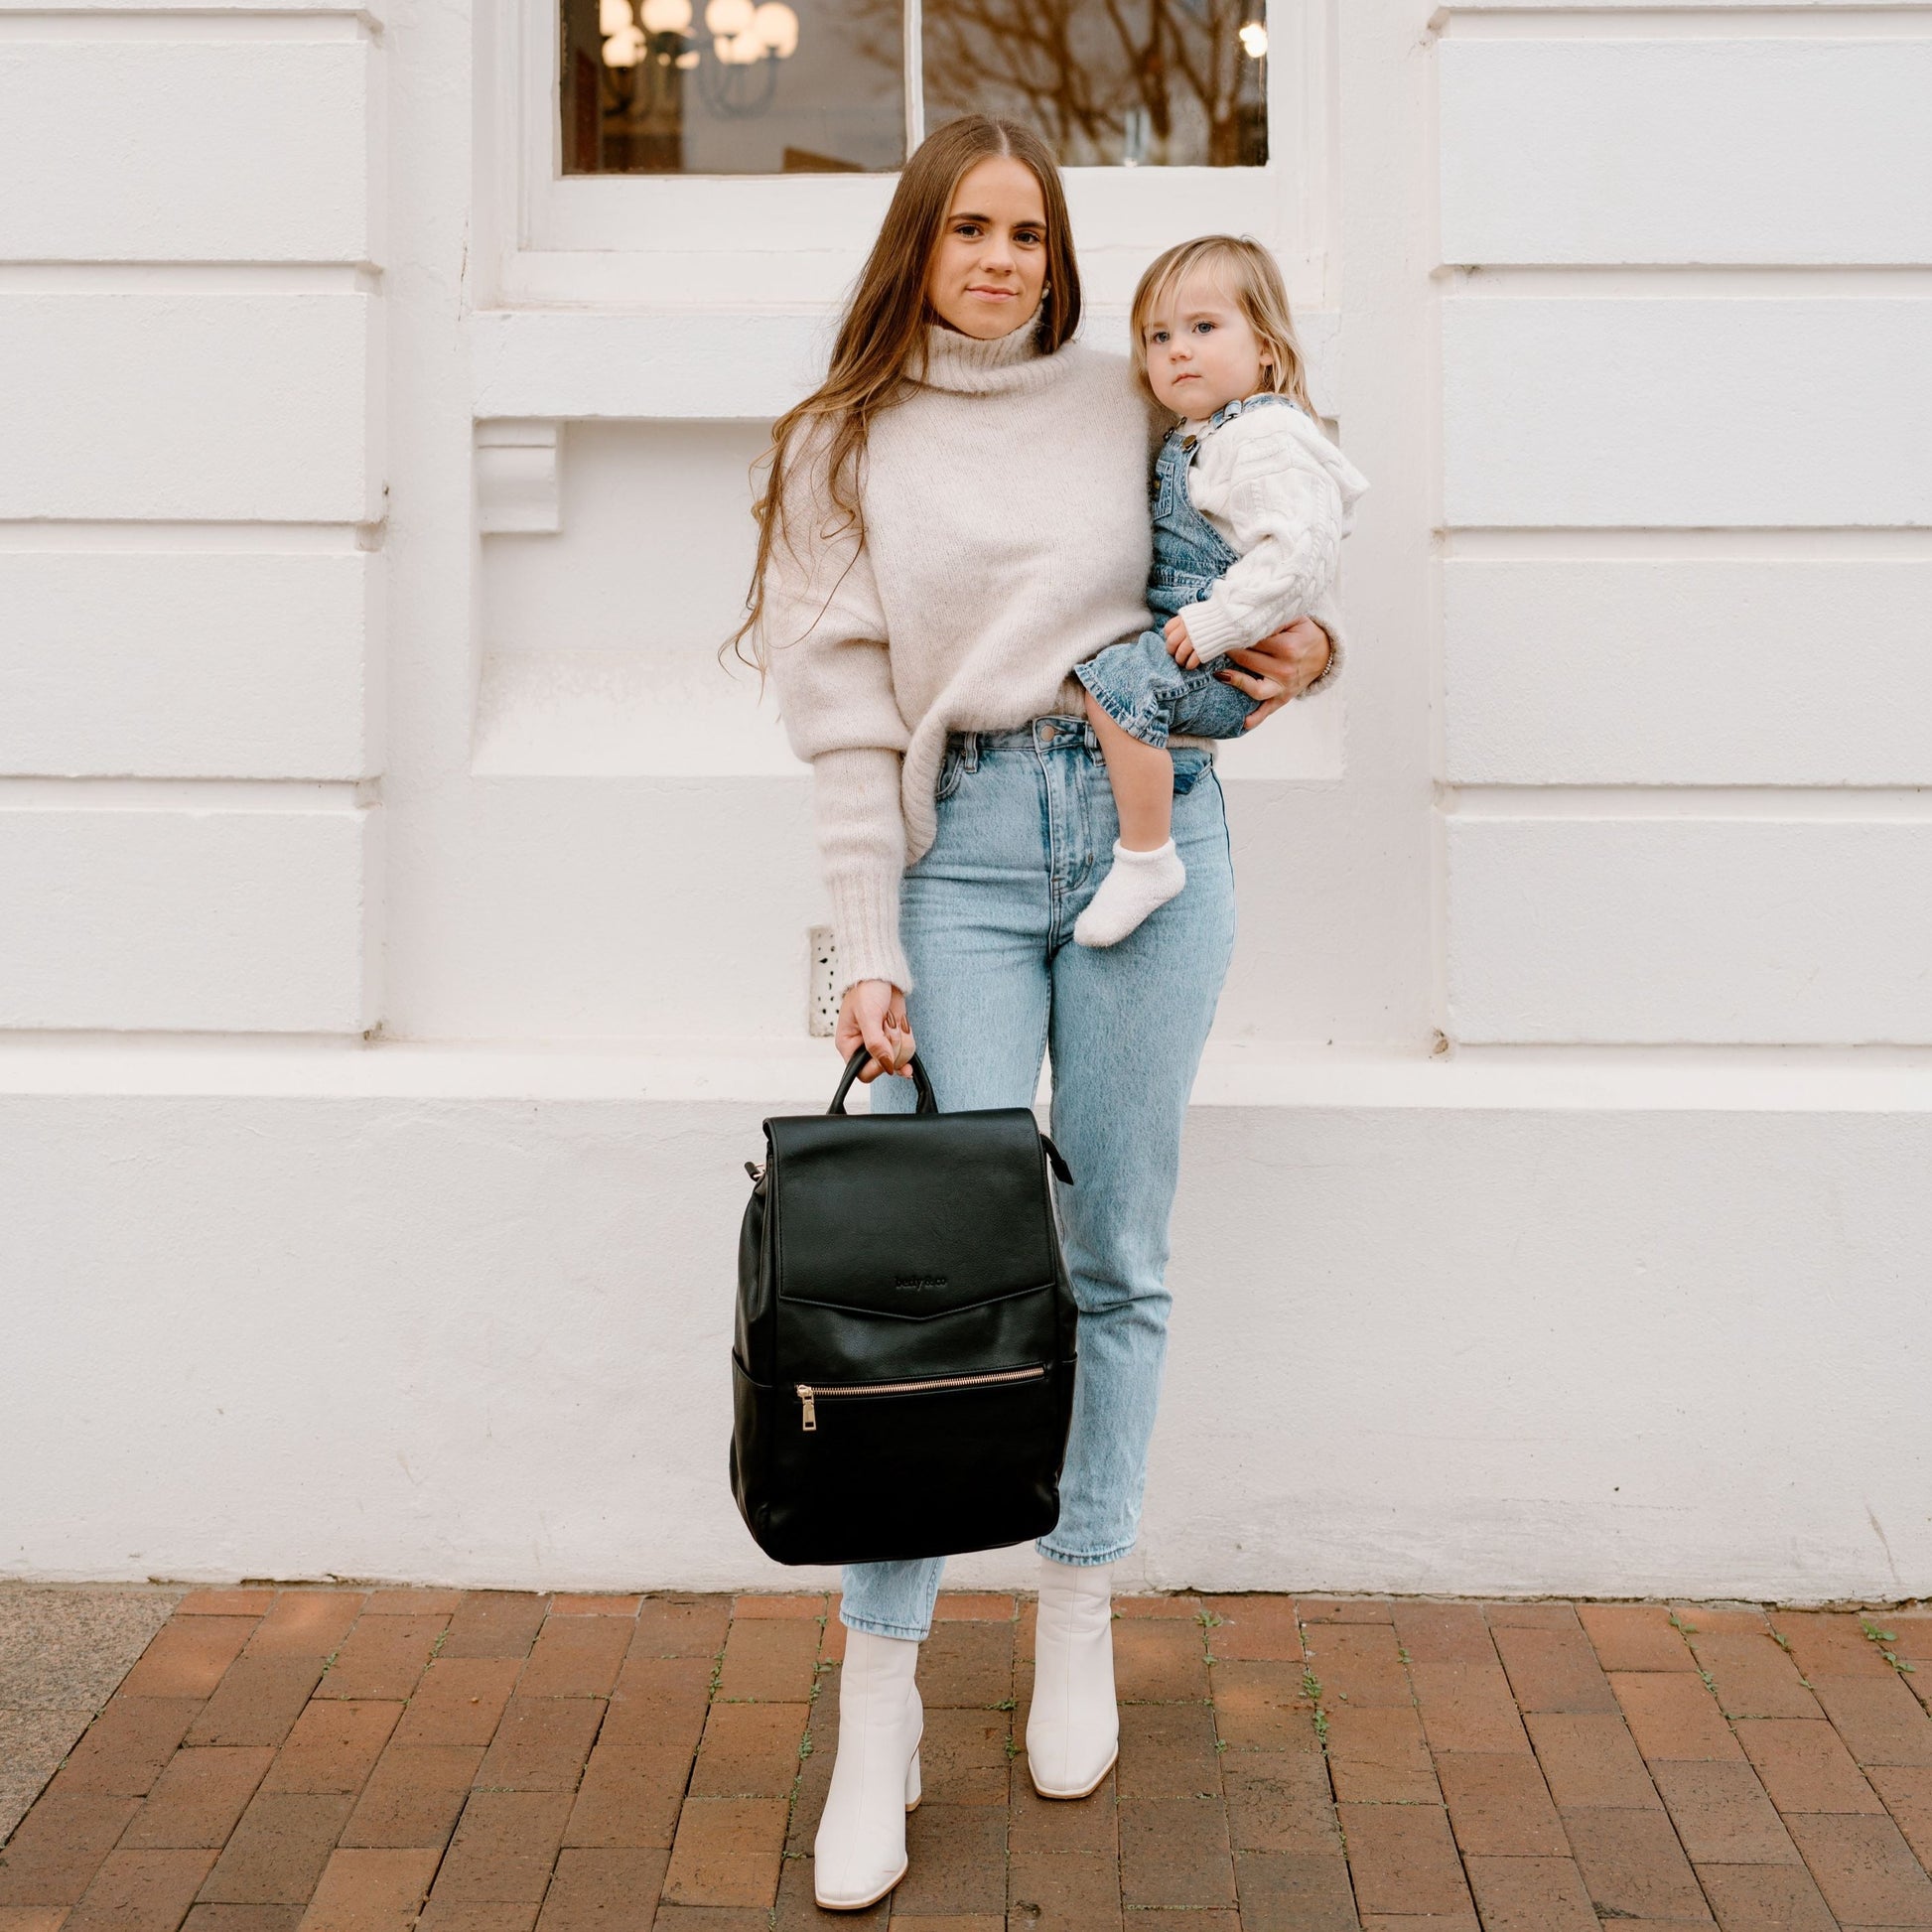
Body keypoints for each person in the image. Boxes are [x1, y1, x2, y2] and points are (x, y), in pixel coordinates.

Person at [739, 115, 1342, 1912]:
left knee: (1120, 1250)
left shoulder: (1126, 394)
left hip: (1150, 821)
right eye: (968, 228)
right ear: (918, 244)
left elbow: (1254, 538)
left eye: (1028, 230)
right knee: (939, 1286)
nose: (1000, 257)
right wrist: (867, 941)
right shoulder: (841, 443)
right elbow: (846, 715)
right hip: (966, 851)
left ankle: (1076, 1607)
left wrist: (1305, 657)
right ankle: (883, 1705)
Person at [1070, 234, 1367, 946]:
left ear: (1265, 344)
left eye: (1203, 328)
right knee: (1119, 683)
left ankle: (1147, 858)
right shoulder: (1201, 434)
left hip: (1220, 657)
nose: (1177, 350)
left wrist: (1220, 623)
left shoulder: (1266, 436)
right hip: (1199, 641)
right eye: (1158, 335)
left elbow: (1301, 554)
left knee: (1115, 685)